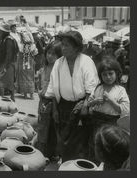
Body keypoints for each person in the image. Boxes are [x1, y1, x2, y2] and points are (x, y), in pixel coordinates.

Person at [45, 30, 99, 162]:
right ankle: (66, 164)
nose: (62, 48)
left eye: (66, 45)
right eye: (62, 44)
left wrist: (85, 105)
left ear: (76, 47)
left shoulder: (86, 62)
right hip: (63, 106)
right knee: (64, 141)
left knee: (80, 142)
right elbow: (53, 87)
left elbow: (91, 86)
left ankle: (76, 167)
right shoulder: (59, 63)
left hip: (81, 106)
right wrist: (55, 110)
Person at [87, 56, 130, 162]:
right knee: (95, 144)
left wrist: (112, 101)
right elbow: (89, 104)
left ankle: (107, 166)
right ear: (100, 76)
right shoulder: (98, 88)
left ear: (116, 73)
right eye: (104, 74)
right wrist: (95, 101)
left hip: (112, 122)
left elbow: (125, 110)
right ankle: (94, 164)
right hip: (96, 121)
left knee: (108, 146)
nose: (108, 77)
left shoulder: (120, 90)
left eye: (111, 73)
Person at [35, 40, 62, 160]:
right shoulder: (44, 67)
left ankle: (51, 153)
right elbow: (40, 85)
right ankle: (44, 152)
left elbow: (56, 92)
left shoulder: (58, 70)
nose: (50, 56)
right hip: (43, 101)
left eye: (54, 54)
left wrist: (55, 109)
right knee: (42, 126)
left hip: (53, 103)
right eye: (48, 53)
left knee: (51, 129)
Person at [0, 23, 19, 101]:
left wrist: (5, 66)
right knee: (6, 80)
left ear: (3, 32)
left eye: (0, 30)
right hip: (7, 63)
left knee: (5, 80)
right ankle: (4, 97)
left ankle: (10, 97)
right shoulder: (6, 39)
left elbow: (9, 54)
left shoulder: (8, 40)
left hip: (8, 64)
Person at [17, 17, 38, 99]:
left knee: (23, 76)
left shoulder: (21, 46)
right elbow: (35, 53)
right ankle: (31, 94)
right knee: (30, 77)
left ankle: (25, 94)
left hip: (23, 62)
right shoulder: (32, 46)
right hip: (30, 62)